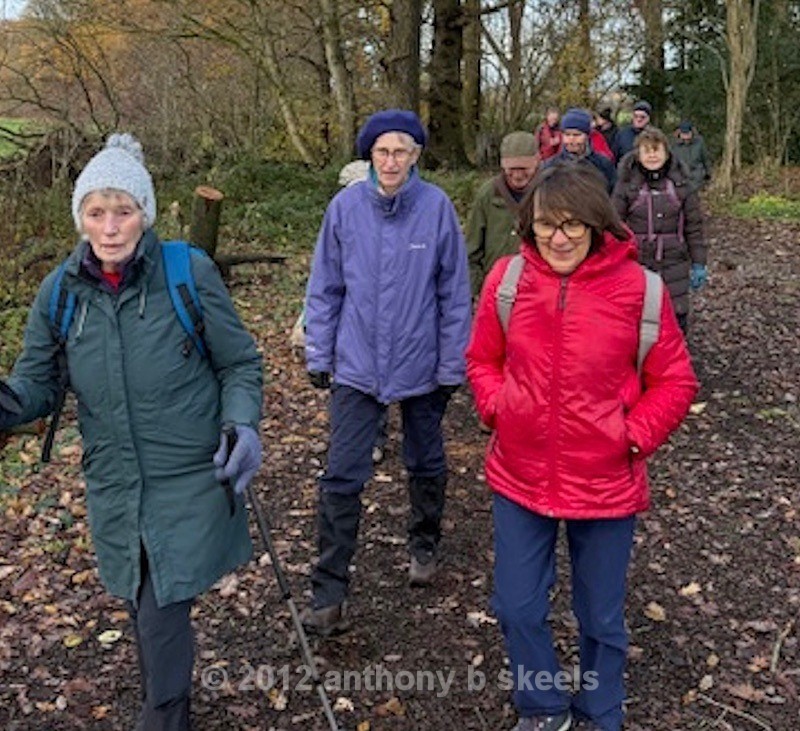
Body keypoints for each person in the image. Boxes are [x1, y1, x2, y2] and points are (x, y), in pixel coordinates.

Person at [0, 134, 263, 730]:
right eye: (96, 212)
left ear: (145, 212)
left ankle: (163, 716)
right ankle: (171, 707)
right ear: (81, 218)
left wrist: (242, 423)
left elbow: (239, 364)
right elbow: (36, 386)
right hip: (114, 485)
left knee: (160, 609)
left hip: (188, 477)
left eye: (123, 211)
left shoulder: (186, 273)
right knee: (143, 604)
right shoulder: (60, 293)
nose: (110, 227)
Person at [466, 162, 698, 731]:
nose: (560, 237)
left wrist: (632, 436)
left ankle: (600, 709)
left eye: (573, 224)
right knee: (517, 606)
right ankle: (543, 707)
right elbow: (482, 359)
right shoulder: (508, 280)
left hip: (605, 481)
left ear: (598, 225)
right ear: (530, 225)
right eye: (547, 224)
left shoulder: (639, 290)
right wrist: (498, 407)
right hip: (520, 475)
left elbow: (675, 381)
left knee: (600, 618)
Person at [301, 109, 471, 636]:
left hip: (421, 360)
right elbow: (325, 286)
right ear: (369, 156)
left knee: (425, 459)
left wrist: (451, 362)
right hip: (358, 361)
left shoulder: (436, 208)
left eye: (401, 151)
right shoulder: (345, 208)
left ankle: (424, 543)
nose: (391, 161)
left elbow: (453, 293)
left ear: (416, 156)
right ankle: (329, 593)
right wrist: (319, 353)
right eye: (382, 151)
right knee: (342, 473)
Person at [612, 125, 707, 333]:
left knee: (675, 317)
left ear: (666, 152)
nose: (652, 155)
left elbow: (694, 226)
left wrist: (699, 261)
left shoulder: (682, 184)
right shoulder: (626, 184)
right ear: (638, 154)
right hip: (637, 260)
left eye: (657, 150)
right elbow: (615, 225)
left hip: (674, 260)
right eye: (647, 151)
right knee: (636, 317)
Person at [466, 130, 539, 297]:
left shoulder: (550, 193)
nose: (518, 175)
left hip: (537, 291)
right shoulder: (488, 195)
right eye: (511, 169)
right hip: (495, 289)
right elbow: (471, 253)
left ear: (537, 161)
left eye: (524, 168)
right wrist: (476, 293)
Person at [542, 108, 617, 193]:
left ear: (587, 136)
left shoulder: (603, 165)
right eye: (567, 134)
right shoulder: (550, 167)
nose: (571, 139)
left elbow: (613, 192)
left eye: (576, 135)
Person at [670, 120, 712, 193]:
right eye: (683, 133)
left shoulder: (699, 142)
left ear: (691, 132)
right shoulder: (674, 145)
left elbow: (705, 158)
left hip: (697, 175)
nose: (686, 136)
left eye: (687, 133)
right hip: (681, 175)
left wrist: (708, 174)